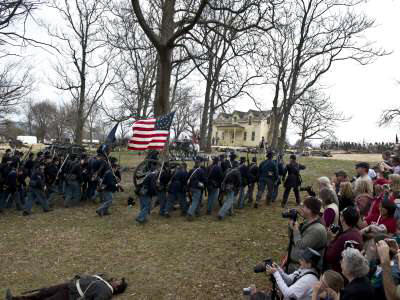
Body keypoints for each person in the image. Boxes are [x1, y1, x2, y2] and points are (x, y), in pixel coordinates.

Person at [287, 196, 327, 273]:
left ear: (310, 210)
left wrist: (296, 230)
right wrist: (291, 226)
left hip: (303, 270)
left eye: (303, 207)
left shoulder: (317, 229)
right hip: (296, 265)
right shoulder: (307, 221)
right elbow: (292, 239)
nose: (301, 208)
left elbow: (300, 246)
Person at [6, 274, 127, 300]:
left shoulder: (106, 292)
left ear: (117, 288)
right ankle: (15, 299)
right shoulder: (102, 278)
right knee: (43, 293)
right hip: (68, 286)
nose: (115, 279)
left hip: (71, 295)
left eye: (118, 282)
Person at [324, 206, 363, 273]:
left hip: (340, 274)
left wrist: (330, 240)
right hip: (351, 272)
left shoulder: (345, 237)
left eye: (341, 214)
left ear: (342, 219)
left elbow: (329, 257)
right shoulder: (357, 232)